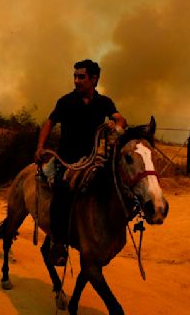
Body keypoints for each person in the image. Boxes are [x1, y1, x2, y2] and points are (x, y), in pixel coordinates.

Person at [34, 59, 127, 265]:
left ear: (93, 79)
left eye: (81, 77)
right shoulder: (65, 101)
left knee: (110, 188)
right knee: (61, 191)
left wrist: (116, 125)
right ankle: (58, 243)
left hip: (92, 160)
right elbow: (49, 123)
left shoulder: (104, 102)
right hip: (66, 161)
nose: (76, 81)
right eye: (75, 76)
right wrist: (40, 146)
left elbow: (121, 119)